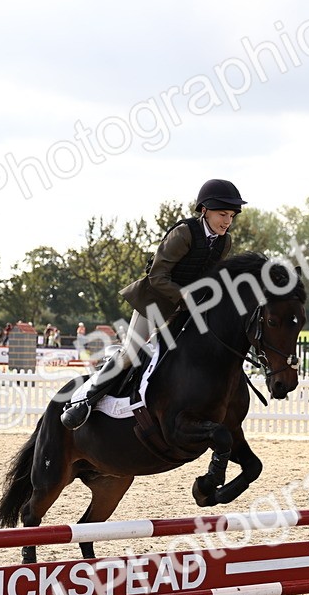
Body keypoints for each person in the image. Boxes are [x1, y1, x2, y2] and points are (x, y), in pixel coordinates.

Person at [61, 179, 246, 429]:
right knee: (131, 353)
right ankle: (84, 401)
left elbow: (208, 278)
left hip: (184, 307)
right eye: (222, 214)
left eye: (232, 216)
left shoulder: (224, 241)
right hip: (155, 301)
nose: (227, 221)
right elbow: (157, 277)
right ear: (205, 210)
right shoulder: (183, 233)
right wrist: (187, 297)